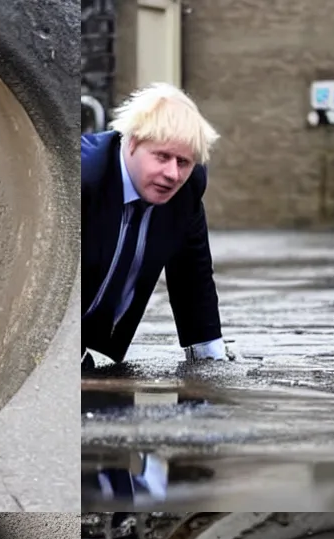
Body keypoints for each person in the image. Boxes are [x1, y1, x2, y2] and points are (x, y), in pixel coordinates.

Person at [82, 83, 226, 369]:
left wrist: (211, 356)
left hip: (100, 352)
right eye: (162, 156)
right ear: (133, 142)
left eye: (183, 161)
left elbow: (192, 273)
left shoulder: (188, 186)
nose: (173, 174)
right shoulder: (83, 174)